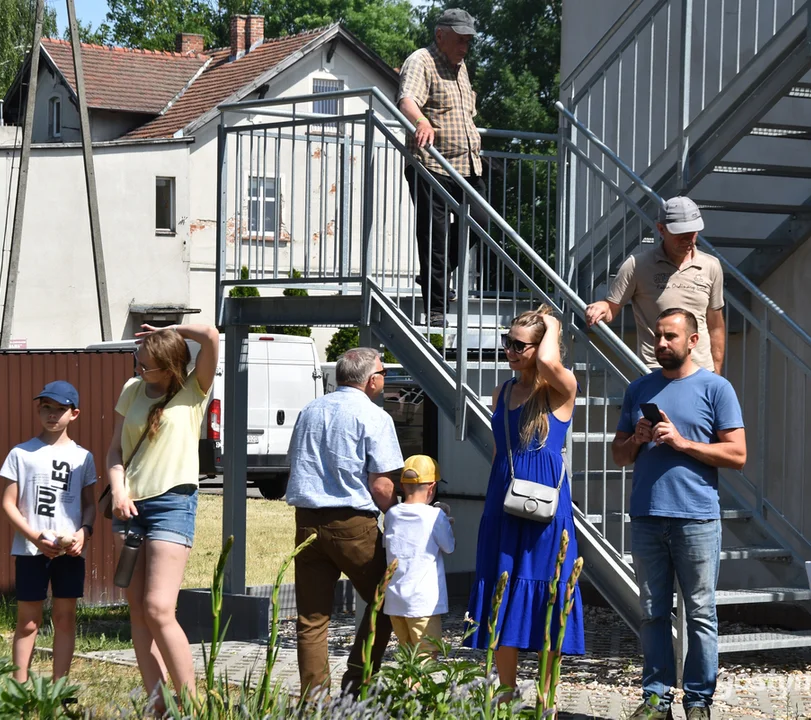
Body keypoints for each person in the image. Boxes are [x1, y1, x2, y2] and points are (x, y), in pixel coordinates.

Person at [613, 308, 746, 720]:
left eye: (670, 336)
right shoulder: (639, 389)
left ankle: (698, 701)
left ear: (693, 340)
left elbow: (737, 455)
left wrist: (683, 443)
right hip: (649, 516)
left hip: (697, 518)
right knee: (652, 611)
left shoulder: (716, 388)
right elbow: (618, 455)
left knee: (701, 613)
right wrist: (635, 440)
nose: (661, 343)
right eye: (658, 336)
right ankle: (655, 699)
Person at [465, 305, 585, 695]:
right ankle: (507, 693)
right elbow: (502, 450)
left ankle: (546, 699)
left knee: (547, 592)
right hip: (504, 500)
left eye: (520, 344)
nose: (510, 350)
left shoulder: (560, 389)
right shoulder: (503, 390)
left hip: (546, 508)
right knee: (503, 590)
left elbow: (549, 360)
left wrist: (551, 323)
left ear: (541, 346)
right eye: (507, 342)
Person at [106, 322, 219, 708]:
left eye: (147, 366)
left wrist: (172, 328)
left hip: (172, 504)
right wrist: (118, 489)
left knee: (158, 608)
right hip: (128, 508)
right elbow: (115, 453)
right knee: (137, 611)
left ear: (170, 366)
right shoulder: (131, 390)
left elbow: (210, 335)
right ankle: (159, 705)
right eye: (138, 363)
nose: (139, 371)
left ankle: (190, 705)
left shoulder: (194, 391)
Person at [286, 347, 404, 697]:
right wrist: (399, 516)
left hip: (306, 522)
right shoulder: (375, 416)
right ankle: (356, 689)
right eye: (382, 372)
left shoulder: (310, 410)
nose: (383, 378)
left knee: (311, 619)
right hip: (353, 524)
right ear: (371, 380)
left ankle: (314, 702)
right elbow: (382, 485)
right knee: (387, 602)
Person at [0, 380, 97, 683]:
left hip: (69, 551)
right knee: (28, 622)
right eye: (46, 408)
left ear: (75, 414)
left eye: (60, 409)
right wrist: (34, 538)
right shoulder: (21, 453)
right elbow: (8, 504)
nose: (52, 415)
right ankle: (17, 690)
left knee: (65, 618)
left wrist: (83, 534)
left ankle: (59, 690)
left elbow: (90, 506)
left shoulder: (84, 457)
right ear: (38, 409)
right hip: (30, 550)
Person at [398, 8, 489, 325]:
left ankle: (432, 274)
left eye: (468, 41)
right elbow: (406, 99)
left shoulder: (461, 66)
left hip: (467, 165)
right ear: (441, 35)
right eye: (460, 40)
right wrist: (421, 121)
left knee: (481, 220)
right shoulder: (421, 60)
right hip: (431, 165)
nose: (465, 47)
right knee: (434, 237)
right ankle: (436, 310)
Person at [585, 196, 725, 374]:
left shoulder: (711, 266)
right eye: (679, 234)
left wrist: (716, 373)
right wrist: (602, 306)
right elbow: (612, 307)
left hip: (701, 370)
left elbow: (716, 325)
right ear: (661, 229)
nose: (687, 239)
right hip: (656, 370)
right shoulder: (637, 265)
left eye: (692, 233)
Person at [382, 455, 456, 657]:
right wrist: (446, 524)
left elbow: (386, 544)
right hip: (423, 603)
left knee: (406, 653)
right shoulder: (435, 516)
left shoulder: (392, 514)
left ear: (402, 485)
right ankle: (419, 690)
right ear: (432, 487)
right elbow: (449, 547)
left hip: (395, 601)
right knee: (426, 654)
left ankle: (406, 688)